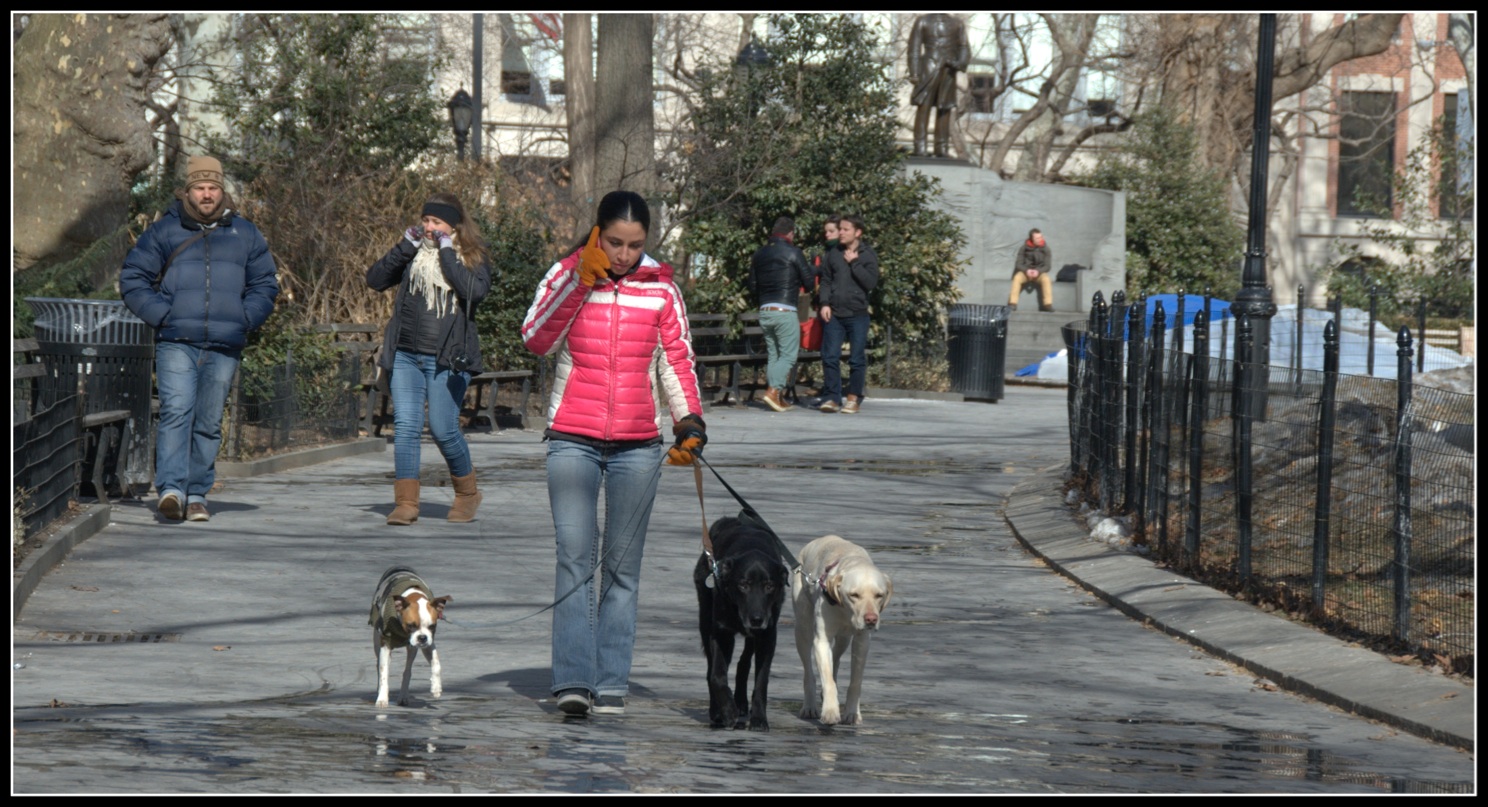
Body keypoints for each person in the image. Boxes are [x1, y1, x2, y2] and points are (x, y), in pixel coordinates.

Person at [521, 190, 706, 718]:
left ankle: (612, 682)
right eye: (615, 242)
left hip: (638, 447)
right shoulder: (566, 277)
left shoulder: (662, 290)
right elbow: (535, 339)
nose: (623, 255)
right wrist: (581, 282)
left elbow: (676, 360)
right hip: (571, 440)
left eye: (635, 245)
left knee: (623, 569)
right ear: (597, 234)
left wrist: (688, 419)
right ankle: (574, 681)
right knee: (574, 558)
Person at [120, 155, 279, 523]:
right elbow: (133, 278)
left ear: (222, 190)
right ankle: (172, 489)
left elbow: (264, 284)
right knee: (177, 411)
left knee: (207, 421)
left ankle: (196, 495)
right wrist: (163, 314)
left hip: (225, 343)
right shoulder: (163, 231)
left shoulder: (245, 233)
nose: (206, 194)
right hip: (177, 340)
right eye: (200, 187)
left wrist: (245, 318)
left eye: (213, 187)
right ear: (187, 191)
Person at [366, 192, 492, 525]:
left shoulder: (472, 257)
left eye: (436, 222)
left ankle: (467, 493)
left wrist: (448, 250)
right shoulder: (412, 255)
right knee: (406, 426)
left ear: (453, 226)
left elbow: (473, 292)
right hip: (406, 355)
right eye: (425, 221)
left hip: (448, 359)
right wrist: (405, 246)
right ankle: (406, 503)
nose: (429, 228)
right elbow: (375, 280)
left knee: (442, 428)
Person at [748, 216, 812, 412]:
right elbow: (809, 282)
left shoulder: (759, 254)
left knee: (774, 355)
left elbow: (752, 286)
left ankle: (777, 396)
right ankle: (773, 391)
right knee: (789, 356)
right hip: (785, 310)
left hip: (765, 311)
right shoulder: (794, 252)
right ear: (791, 233)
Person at [818, 214, 879, 414]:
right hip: (834, 313)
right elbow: (826, 280)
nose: (841, 233)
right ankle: (832, 398)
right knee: (829, 356)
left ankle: (853, 398)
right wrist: (824, 303)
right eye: (840, 229)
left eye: (845, 229)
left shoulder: (867, 255)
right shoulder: (833, 253)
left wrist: (855, 263)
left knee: (856, 358)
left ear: (857, 232)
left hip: (858, 314)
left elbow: (870, 283)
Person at [908, 13, 971, 159]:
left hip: (949, 70)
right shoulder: (922, 21)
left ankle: (941, 148)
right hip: (928, 68)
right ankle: (920, 147)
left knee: (945, 108)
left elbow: (964, 47)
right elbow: (914, 48)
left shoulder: (957, 23)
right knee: (924, 106)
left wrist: (959, 63)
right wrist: (914, 73)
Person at [1009, 228, 1054, 312]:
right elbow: (1018, 264)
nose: (1040, 239)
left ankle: (1048, 305)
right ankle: (1012, 304)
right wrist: (1027, 270)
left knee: (1046, 279)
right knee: (1017, 278)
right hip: (1025, 272)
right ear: (1031, 239)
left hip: (1039, 273)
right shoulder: (1023, 248)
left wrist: (1038, 271)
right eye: (1037, 238)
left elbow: (1047, 266)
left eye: (1041, 237)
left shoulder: (1046, 249)